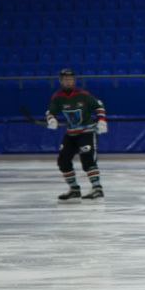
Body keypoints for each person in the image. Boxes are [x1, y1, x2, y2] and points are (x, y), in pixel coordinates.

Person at [46, 68, 107, 201]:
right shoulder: (57, 97)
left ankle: (97, 188)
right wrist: (51, 119)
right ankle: (74, 189)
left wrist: (101, 121)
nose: (68, 82)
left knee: (88, 159)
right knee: (63, 161)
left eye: (71, 79)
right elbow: (50, 112)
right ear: (61, 81)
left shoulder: (83, 94)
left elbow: (99, 106)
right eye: (66, 80)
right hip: (71, 134)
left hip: (87, 132)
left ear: (74, 81)